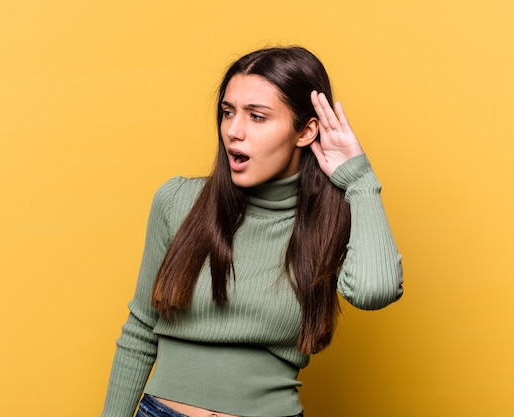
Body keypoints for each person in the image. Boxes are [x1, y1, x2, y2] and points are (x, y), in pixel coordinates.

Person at [100, 46, 404, 417]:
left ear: (306, 131)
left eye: (257, 117)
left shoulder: (332, 220)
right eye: (228, 113)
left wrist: (358, 179)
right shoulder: (178, 201)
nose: (233, 130)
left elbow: (377, 290)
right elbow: (140, 329)